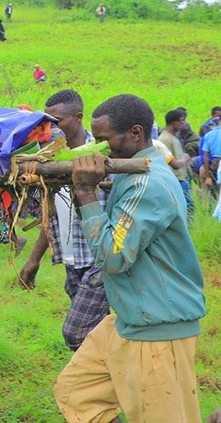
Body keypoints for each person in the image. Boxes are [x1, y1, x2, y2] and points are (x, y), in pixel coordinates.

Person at [53, 94, 206, 423]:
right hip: (128, 318)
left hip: (159, 328)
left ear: (135, 133)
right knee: (76, 394)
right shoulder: (129, 173)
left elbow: (112, 257)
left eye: (105, 140)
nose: (101, 148)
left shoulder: (148, 185)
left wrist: (85, 194)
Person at [19, 89, 110, 351]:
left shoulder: (102, 154)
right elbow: (53, 213)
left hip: (100, 259)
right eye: (48, 121)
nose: (51, 127)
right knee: (96, 334)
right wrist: (34, 258)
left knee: (75, 333)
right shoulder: (49, 155)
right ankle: (106, 384)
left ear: (78, 117)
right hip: (72, 258)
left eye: (57, 121)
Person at [158, 109, 195, 220]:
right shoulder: (164, 139)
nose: (183, 124)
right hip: (175, 178)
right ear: (174, 123)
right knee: (187, 206)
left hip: (181, 177)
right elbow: (169, 161)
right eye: (181, 121)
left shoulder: (174, 137)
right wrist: (184, 159)